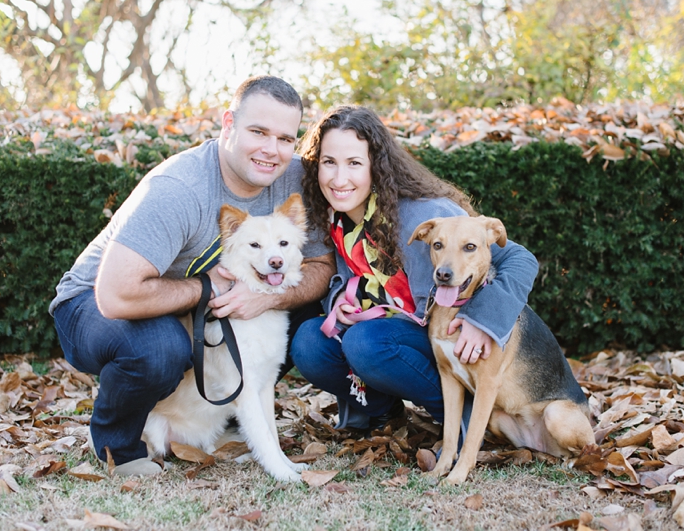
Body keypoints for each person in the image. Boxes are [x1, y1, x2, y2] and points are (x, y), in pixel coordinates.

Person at [49, 76, 335, 476]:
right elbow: (115, 296)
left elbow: (321, 267)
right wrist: (204, 286)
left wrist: (267, 297)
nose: (272, 150)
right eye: (258, 132)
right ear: (228, 124)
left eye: (286, 138)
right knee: (162, 348)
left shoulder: (291, 179)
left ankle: (223, 414)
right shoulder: (180, 188)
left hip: (189, 301)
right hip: (92, 303)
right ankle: (118, 444)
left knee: (302, 305)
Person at [291, 105, 539, 433]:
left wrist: (484, 322)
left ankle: (462, 418)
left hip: (448, 335)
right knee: (309, 342)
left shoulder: (425, 213)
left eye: (354, 163)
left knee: (365, 342)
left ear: (376, 167)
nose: (339, 178)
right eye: (329, 163)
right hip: (398, 328)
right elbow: (353, 279)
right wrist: (341, 301)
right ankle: (380, 411)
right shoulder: (337, 221)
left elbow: (521, 260)